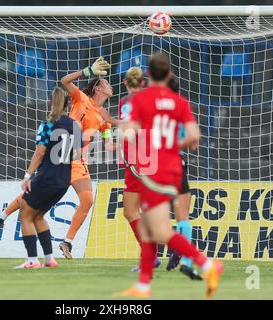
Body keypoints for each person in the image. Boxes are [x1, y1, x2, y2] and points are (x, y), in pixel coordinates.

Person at [118, 53, 223, 298]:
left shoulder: (141, 100)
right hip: (174, 168)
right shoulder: (180, 102)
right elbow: (195, 137)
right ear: (168, 74)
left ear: (148, 75)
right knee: (148, 226)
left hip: (153, 169)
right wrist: (171, 145)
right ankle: (143, 285)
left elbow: (129, 134)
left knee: (160, 231)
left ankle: (208, 265)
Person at [0, 57, 113, 260]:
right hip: (61, 156)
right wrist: (88, 71)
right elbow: (65, 81)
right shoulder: (81, 98)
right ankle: (2, 216)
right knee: (36, 195)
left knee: (88, 200)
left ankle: (67, 242)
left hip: (78, 161)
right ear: (98, 88)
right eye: (106, 83)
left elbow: (109, 144)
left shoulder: (105, 117)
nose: (110, 85)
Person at [100, 67, 161, 271]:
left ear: (125, 83)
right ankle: (151, 254)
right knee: (141, 210)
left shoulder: (127, 101)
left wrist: (110, 120)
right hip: (149, 156)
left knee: (131, 211)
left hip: (136, 160)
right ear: (142, 82)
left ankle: (151, 255)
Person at [14, 87, 82, 269]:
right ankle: (49, 260)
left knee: (25, 215)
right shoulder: (75, 125)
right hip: (63, 181)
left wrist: (28, 175)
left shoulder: (47, 124)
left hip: (47, 177)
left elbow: (39, 152)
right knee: (38, 216)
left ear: (52, 102)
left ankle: (32, 260)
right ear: (68, 104)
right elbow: (77, 154)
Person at [165, 76, 202, 280]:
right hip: (175, 164)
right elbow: (194, 142)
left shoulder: (151, 108)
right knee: (183, 216)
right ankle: (186, 259)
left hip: (154, 165)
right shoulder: (181, 107)